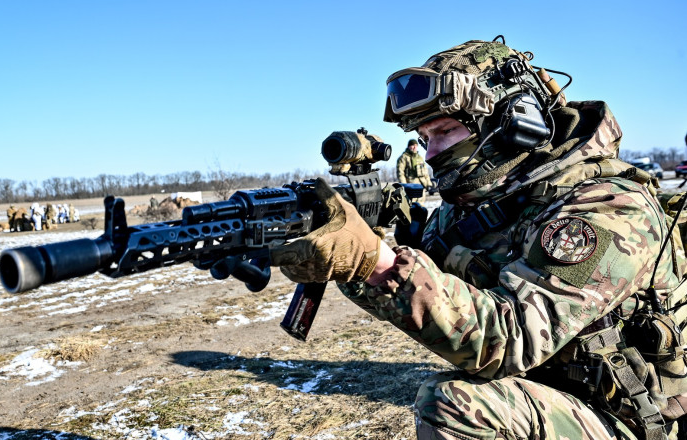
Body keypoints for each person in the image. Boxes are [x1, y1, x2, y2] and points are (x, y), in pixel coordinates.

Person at [270, 38, 687, 439]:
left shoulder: (609, 207)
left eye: (444, 132)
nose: (430, 154)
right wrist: (359, 258)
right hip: (549, 391)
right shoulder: (478, 205)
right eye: (424, 139)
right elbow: (428, 298)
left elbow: (510, 338)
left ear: (516, 124)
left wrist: (377, 262)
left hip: (629, 417)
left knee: (455, 407)